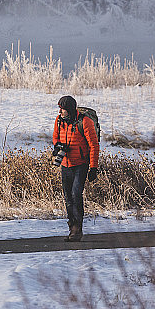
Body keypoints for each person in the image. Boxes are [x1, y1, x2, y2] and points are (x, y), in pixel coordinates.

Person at [52, 95, 99, 241]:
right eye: (59, 109)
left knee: (76, 194)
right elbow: (55, 137)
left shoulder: (85, 122)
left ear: (70, 110)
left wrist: (93, 168)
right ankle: (72, 228)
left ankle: (77, 230)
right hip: (66, 164)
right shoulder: (59, 121)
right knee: (68, 198)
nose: (60, 112)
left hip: (81, 165)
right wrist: (58, 146)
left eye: (63, 109)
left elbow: (94, 145)